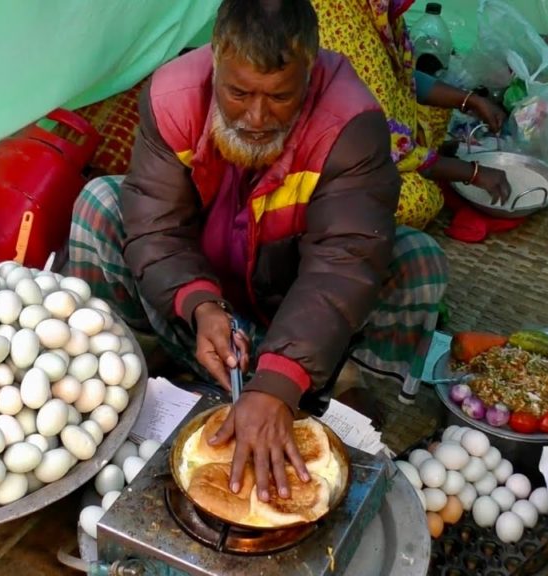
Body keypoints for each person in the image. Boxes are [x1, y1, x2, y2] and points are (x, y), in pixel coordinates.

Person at [66, 0, 448, 501]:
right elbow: (157, 227)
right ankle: (147, 376)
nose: (256, 116)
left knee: (418, 260)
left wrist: (278, 381)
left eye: (280, 96)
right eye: (238, 92)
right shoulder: (173, 98)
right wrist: (200, 305)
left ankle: (344, 403)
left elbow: (343, 261)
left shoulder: (350, 123)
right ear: (216, 58)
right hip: (207, 311)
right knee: (100, 203)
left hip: (303, 318)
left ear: (310, 74)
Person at [313, 0, 512, 230]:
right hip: (331, 162)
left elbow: (399, 74)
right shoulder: (339, 24)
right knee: (418, 199)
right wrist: (473, 173)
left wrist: (469, 100)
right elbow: (385, 143)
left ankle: (429, 160)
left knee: (437, 111)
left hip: (374, 140)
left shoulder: (375, 9)